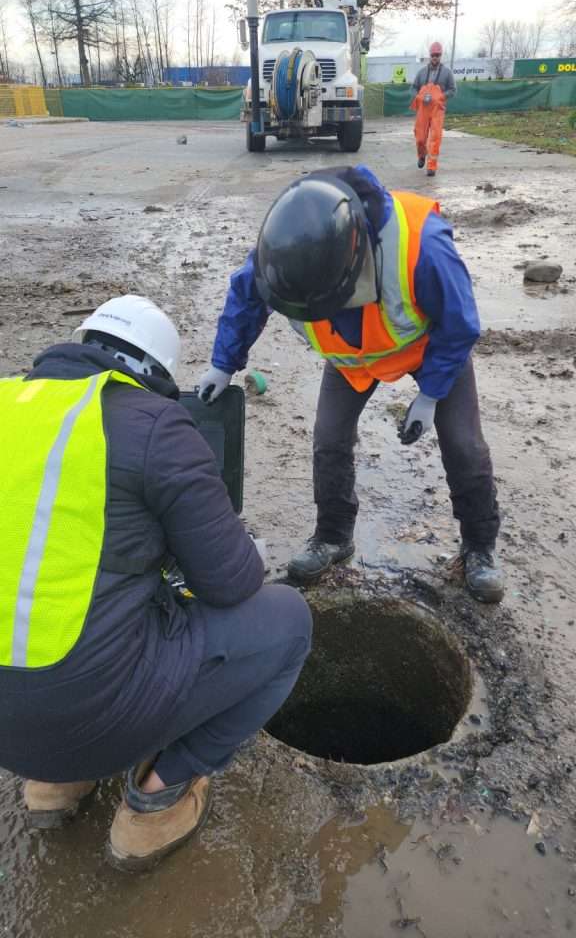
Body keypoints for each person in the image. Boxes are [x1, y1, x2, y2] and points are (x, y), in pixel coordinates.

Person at [0, 295, 311, 872]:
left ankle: (53, 784)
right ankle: (156, 802)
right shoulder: (151, 422)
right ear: (154, 375)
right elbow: (231, 582)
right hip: (86, 710)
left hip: (6, 735)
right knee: (290, 624)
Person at [198, 166, 504, 604]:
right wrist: (223, 364)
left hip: (429, 350)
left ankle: (479, 546)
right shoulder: (286, 247)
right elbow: (247, 295)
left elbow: (460, 324)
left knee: (464, 444)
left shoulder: (424, 245)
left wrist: (431, 394)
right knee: (329, 439)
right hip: (352, 360)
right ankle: (333, 536)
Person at [410, 42, 456, 177]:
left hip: (437, 109)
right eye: (433, 55)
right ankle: (421, 155)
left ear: (440, 56)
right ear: (430, 56)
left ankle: (431, 167)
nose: (435, 57)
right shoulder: (421, 73)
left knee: (435, 138)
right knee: (420, 137)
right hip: (423, 109)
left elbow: (453, 90)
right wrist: (419, 97)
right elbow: (413, 88)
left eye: (437, 55)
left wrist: (441, 96)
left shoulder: (447, 73)